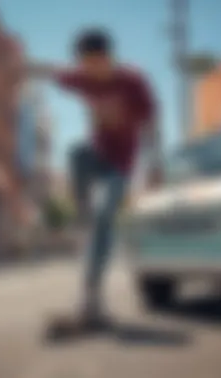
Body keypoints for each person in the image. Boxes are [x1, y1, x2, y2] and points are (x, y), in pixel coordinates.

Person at [27, 28, 160, 332]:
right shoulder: (81, 77)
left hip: (121, 166)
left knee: (105, 218)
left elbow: (151, 122)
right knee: (75, 152)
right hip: (96, 154)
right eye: (85, 65)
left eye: (96, 64)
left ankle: (91, 298)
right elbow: (50, 70)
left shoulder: (133, 81)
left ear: (107, 57)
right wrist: (20, 66)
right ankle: (83, 215)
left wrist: (153, 163)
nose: (92, 72)